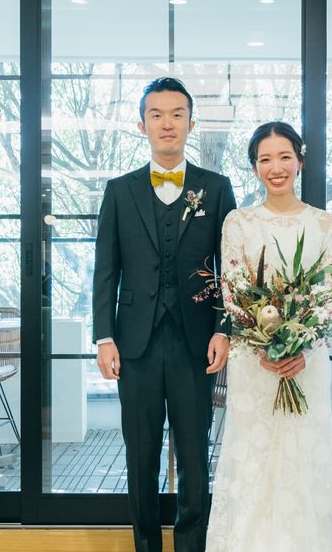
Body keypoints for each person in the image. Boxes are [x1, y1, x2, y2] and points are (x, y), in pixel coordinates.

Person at [92, 76, 236, 552]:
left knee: (195, 452)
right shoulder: (119, 191)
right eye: (157, 115)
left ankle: (192, 544)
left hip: (197, 343)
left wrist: (224, 329)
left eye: (177, 114)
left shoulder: (216, 188)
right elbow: (105, 270)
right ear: (142, 125)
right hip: (134, 343)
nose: (167, 123)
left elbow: (231, 266)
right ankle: (146, 545)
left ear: (191, 124)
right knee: (140, 454)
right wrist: (104, 337)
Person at [206, 122, 332, 551]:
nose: (276, 168)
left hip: (308, 362)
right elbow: (233, 292)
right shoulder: (239, 222)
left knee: (305, 458)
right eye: (265, 159)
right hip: (255, 364)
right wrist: (262, 347)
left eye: (285, 157)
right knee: (254, 459)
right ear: (254, 167)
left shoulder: (324, 224)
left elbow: (330, 298)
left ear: (300, 161)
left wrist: (302, 348)